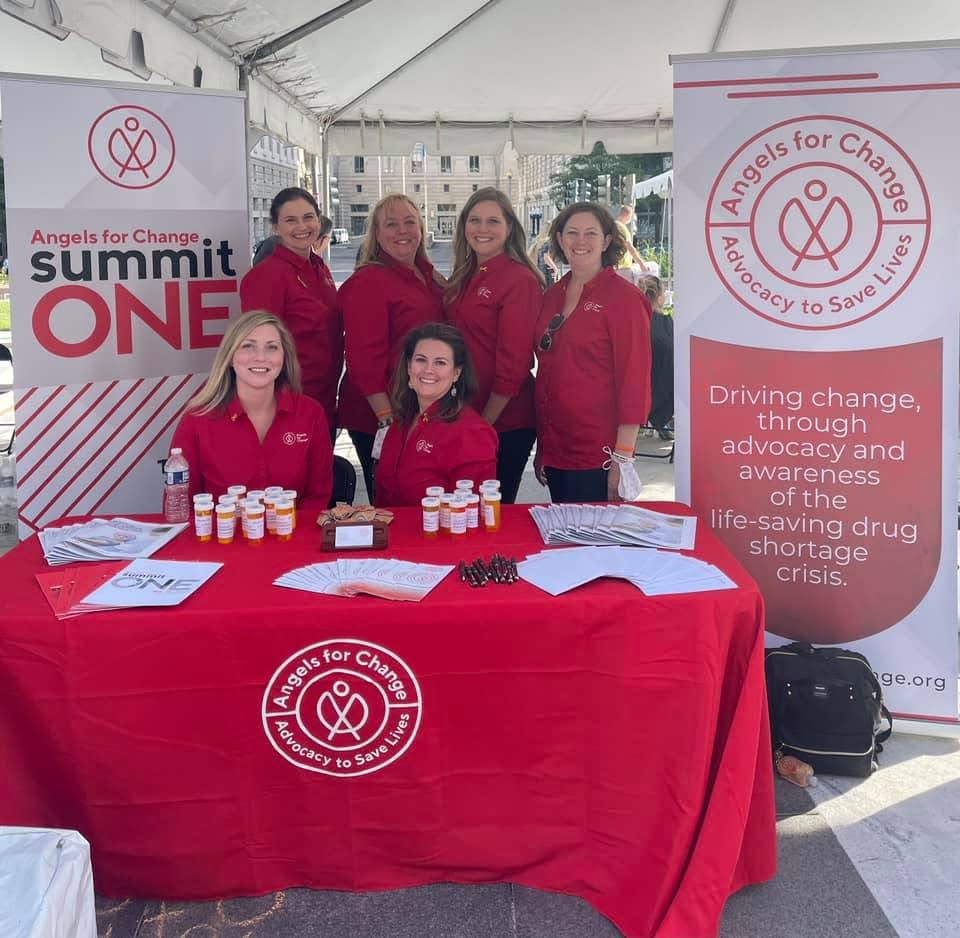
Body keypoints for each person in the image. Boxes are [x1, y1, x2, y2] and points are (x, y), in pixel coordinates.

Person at [534, 202, 652, 503]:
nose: (580, 241)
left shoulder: (624, 299)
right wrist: (544, 448)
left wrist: (622, 458)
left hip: (599, 455)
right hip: (557, 449)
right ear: (560, 240)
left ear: (607, 241)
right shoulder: (552, 295)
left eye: (590, 233)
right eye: (572, 233)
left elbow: (634, 382)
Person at [338, 194, 445, 500]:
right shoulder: (369, 281)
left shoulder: (428, 275)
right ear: (377, 233)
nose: (402, 231)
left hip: (418, 409)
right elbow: (363, 360)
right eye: (391, 224)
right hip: (382, 414)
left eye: (410, 222)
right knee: (392, 503)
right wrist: (387, 421)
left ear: (421, 228)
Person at [171, 312, 333, 506]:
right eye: (248, 346)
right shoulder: (196, 420)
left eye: (272, 347)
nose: (261, 357)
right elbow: (181, 506)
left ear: (284, 358)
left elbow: (319, 498)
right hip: (219, 527)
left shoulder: (310, 413)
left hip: (294, 526)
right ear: (230, 357)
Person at [445, 188, 544, 503]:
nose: (482, 229)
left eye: (493, 221)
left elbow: (514, 364)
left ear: (509, 227)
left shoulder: (519, 279)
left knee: (490, 512)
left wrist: (483, 425)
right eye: (474, 220)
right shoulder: (465, 274)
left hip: (503, 421)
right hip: (463, 413)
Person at [239, 189, 342, 434]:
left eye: (308, 217)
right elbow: (258, 352)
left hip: (325, 399)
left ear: (318, 220)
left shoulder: (319, 268)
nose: (302, 227)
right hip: (288, 404)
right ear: (275, 227)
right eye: (290, 220)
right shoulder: (267, 276)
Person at [374, 322, 497, 507]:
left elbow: (473, 513)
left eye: (440, 362)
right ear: (408, 367)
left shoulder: (472, 433)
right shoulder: (401, 421)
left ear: (456, 373)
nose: (428, 370)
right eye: (420, 360)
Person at [640, 275, 675, 441]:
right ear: (660, 297)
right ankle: (661, 422)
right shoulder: (667, 325)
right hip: (665, 391)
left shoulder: (635, 322)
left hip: (640, 390)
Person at [614, 204, 650, 283]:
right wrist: (641, 264)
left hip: (614, 265)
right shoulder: (622, 228)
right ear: (628, 216)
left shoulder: (612, 226)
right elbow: (630, 248)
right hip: (623, 267)